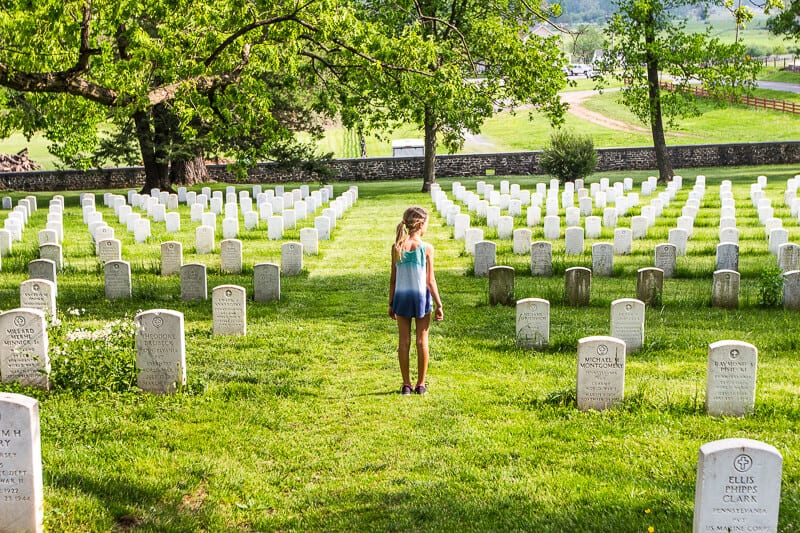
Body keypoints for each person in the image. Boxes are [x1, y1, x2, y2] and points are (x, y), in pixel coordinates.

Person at [388, 206, 443, 395]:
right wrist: (439, 304)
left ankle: (406, 385)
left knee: (403, 342)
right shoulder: (427, 248)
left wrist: (390, 303)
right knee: (422, 341)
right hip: (420, 299)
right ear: (420, 224)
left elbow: (393, 278)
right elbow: (430, 280)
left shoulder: (397, 247)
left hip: (401, 298)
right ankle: (421, 384)